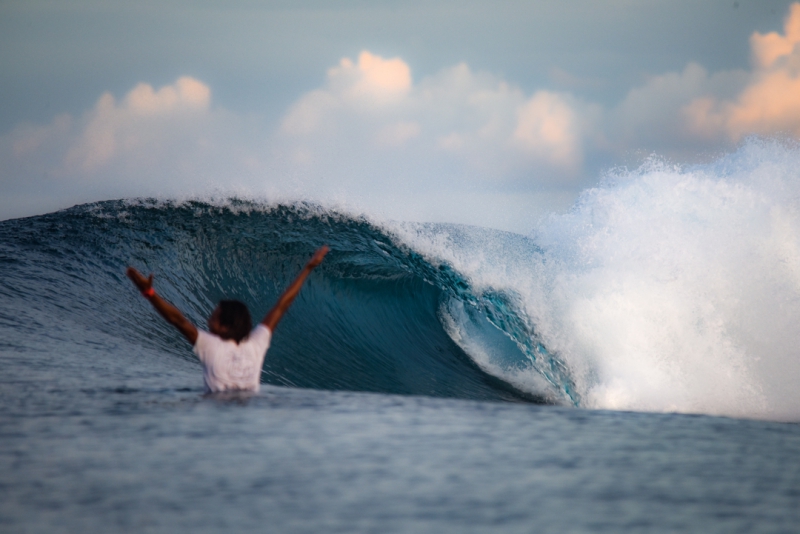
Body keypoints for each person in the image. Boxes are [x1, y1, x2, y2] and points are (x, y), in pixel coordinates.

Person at [126, 246, 329, 393]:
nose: (208, 320)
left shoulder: (210, 345)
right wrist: (308, 268)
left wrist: (149, 292)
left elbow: (178, 320)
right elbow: (281, 305)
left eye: (213, 317)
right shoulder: (256, 345)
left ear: (224, 325)